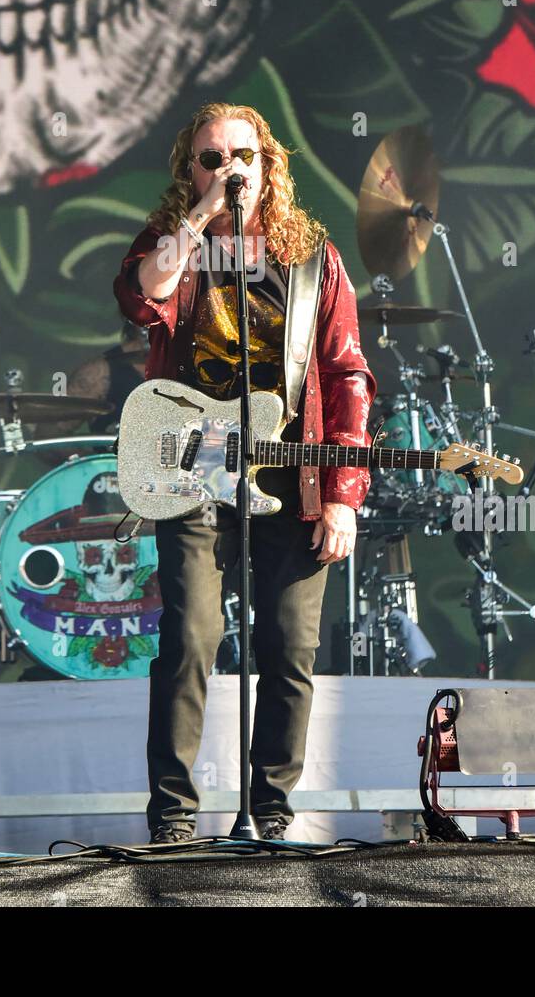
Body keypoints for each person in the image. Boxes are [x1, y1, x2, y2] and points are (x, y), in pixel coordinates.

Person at [113, 102, 376, 843]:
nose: (230, 168)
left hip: (292, 477)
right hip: (191, 476)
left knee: (289, 647)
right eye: (210, 158)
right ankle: (171, 817)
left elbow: (347, 373)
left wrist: (344, 496)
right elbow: (143, 296)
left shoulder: (312, 256)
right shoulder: (173, 244)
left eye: (243, 155)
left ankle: (270, 810)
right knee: (191, 637)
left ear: (270, 165)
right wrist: (197, 219)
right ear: (188, 171)